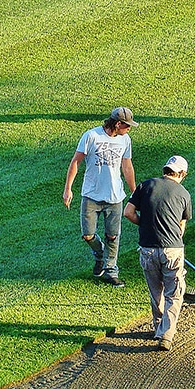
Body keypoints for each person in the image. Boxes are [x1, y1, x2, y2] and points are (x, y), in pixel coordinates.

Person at [63, 107, 138, 286]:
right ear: (118, 124)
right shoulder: (91, 136)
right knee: (88, 235)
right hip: (91, 195)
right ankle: (100, 255)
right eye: (127, 126)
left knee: (113, 236)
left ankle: (111, 270)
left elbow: (127, 166)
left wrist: (134, 191)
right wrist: (68, 189)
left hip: (115, 197)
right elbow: (76, 161)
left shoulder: (125, 140)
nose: (129, 129)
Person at [124, 155, 192, 352]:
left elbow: (128, 212)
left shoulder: (145, 185)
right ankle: (166, 334)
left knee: (156, 292)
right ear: (180, 173)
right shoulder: (183, 193)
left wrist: (144, 225)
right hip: (172, 249)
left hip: (147, 248)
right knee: (174, 292)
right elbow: (181, 226)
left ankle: (158, 326)